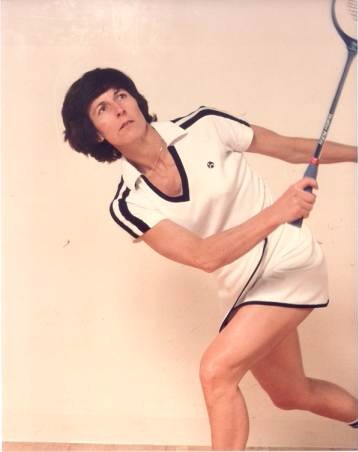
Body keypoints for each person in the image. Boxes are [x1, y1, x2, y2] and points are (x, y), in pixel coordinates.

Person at [61, 68, 357, 450]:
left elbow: (292, 148)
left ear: (137, 100)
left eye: (121, 95)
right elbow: (203, 257)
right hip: (241, 289)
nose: (118, 108)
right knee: (291, 394)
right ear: (96, 134)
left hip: (287, 258)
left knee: (216, 371)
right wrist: (279, 210)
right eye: (102, 108)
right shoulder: (128, 203)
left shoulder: (205, 125)